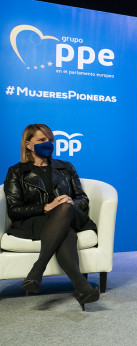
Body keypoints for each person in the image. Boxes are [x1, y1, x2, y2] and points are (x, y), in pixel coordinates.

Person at [3, 124, 100, 308]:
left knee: (64, 207)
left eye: (50, 140)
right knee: (67, 233)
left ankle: (37, 270)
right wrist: (46, 207)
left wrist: (70, 202)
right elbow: (14, 209)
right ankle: (83, 288)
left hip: (69, 215)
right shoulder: (16, 172)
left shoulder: (66, 167)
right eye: (41, 140)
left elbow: (82, 199)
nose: (47, 144)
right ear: (28, 144)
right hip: (35, 221)